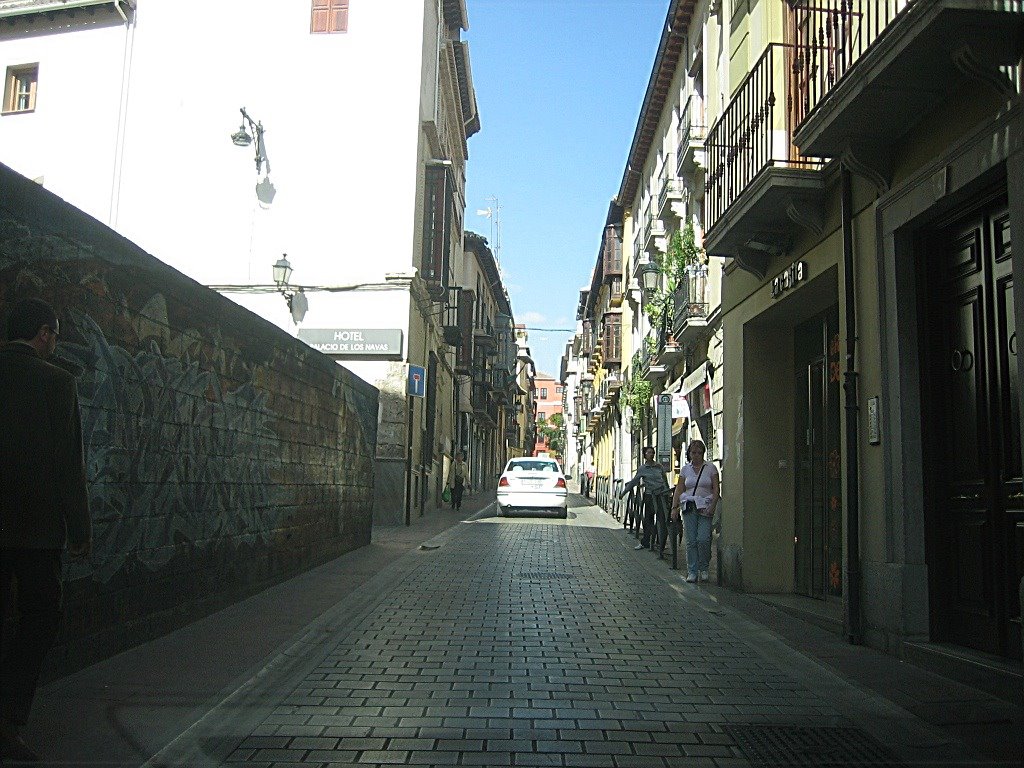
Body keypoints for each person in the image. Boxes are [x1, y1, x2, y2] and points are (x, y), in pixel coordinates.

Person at [0, 298, 91, 762]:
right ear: (43, 333)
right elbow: (68, 467)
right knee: (39, 619)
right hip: (36, 533)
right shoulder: (57, 382)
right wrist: (80, 530)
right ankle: (10, 722)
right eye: (54, 335)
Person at [671, 439, 720, 583]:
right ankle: (692, 571)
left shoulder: (711, 468)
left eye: (699, 452)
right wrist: (674, 507)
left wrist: (713, 505)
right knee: (691, 541)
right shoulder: (685, 469)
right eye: (693, 452)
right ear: (689, 454)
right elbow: (680, 489)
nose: (696, 455)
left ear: (703, 453)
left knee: (704, 539)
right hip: (689, 507)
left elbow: (716, 488)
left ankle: (704, 567)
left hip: (705, 506)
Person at [620, 447, 672, 556]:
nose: (651, 454)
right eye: (649, 453)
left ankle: (660, 542)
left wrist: (668, 494)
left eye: (653, 452)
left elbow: (664, 480)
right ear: (644, 455)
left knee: (661, 519)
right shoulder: (642, 468)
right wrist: (624, 492)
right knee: (648, 519)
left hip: (661, 496)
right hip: (650, 496)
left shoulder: (659, 467)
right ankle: (646, 542)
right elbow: (634, 482)